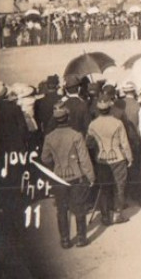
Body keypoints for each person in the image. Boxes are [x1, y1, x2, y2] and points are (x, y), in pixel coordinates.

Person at [41, 103, 95, 248]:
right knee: (79, 207)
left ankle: (65, 240)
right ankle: (81, 238)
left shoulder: (49, 137)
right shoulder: (76, 135)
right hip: (76, 176)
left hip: (58, 177)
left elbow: (45, 158)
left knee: (61, 209)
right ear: (68, 117)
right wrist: (90, 177)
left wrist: (56, 165)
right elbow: (84, 159)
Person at [86, 95, 133, 225]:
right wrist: (129, 158)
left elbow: (88, 143)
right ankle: (117, 215)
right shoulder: (118, 123)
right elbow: (124, 143)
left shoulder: (93, 124)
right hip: (118, 158)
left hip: (101, 159)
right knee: (119, 186)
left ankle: (105, 216)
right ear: (110, 107)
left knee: (104, 187)